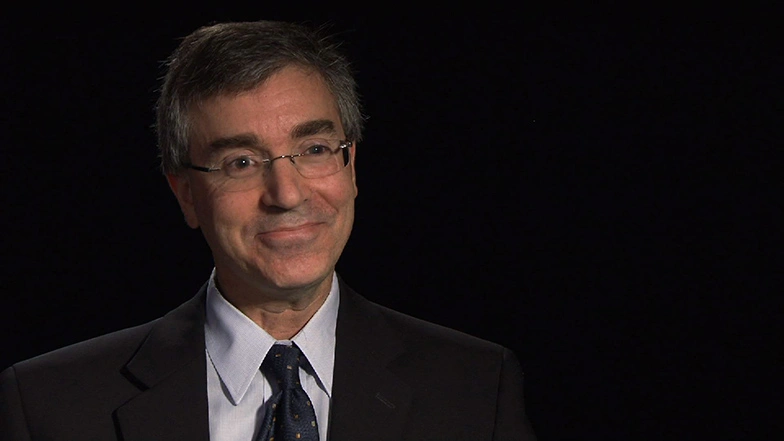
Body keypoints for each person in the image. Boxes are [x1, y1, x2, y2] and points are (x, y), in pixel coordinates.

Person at [0, 20, 537, 440]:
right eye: (240, 161)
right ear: (186, 194)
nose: (287, 194)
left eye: (315, 149)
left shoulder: (476, 387)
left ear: (351, 167)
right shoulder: (48, 405)